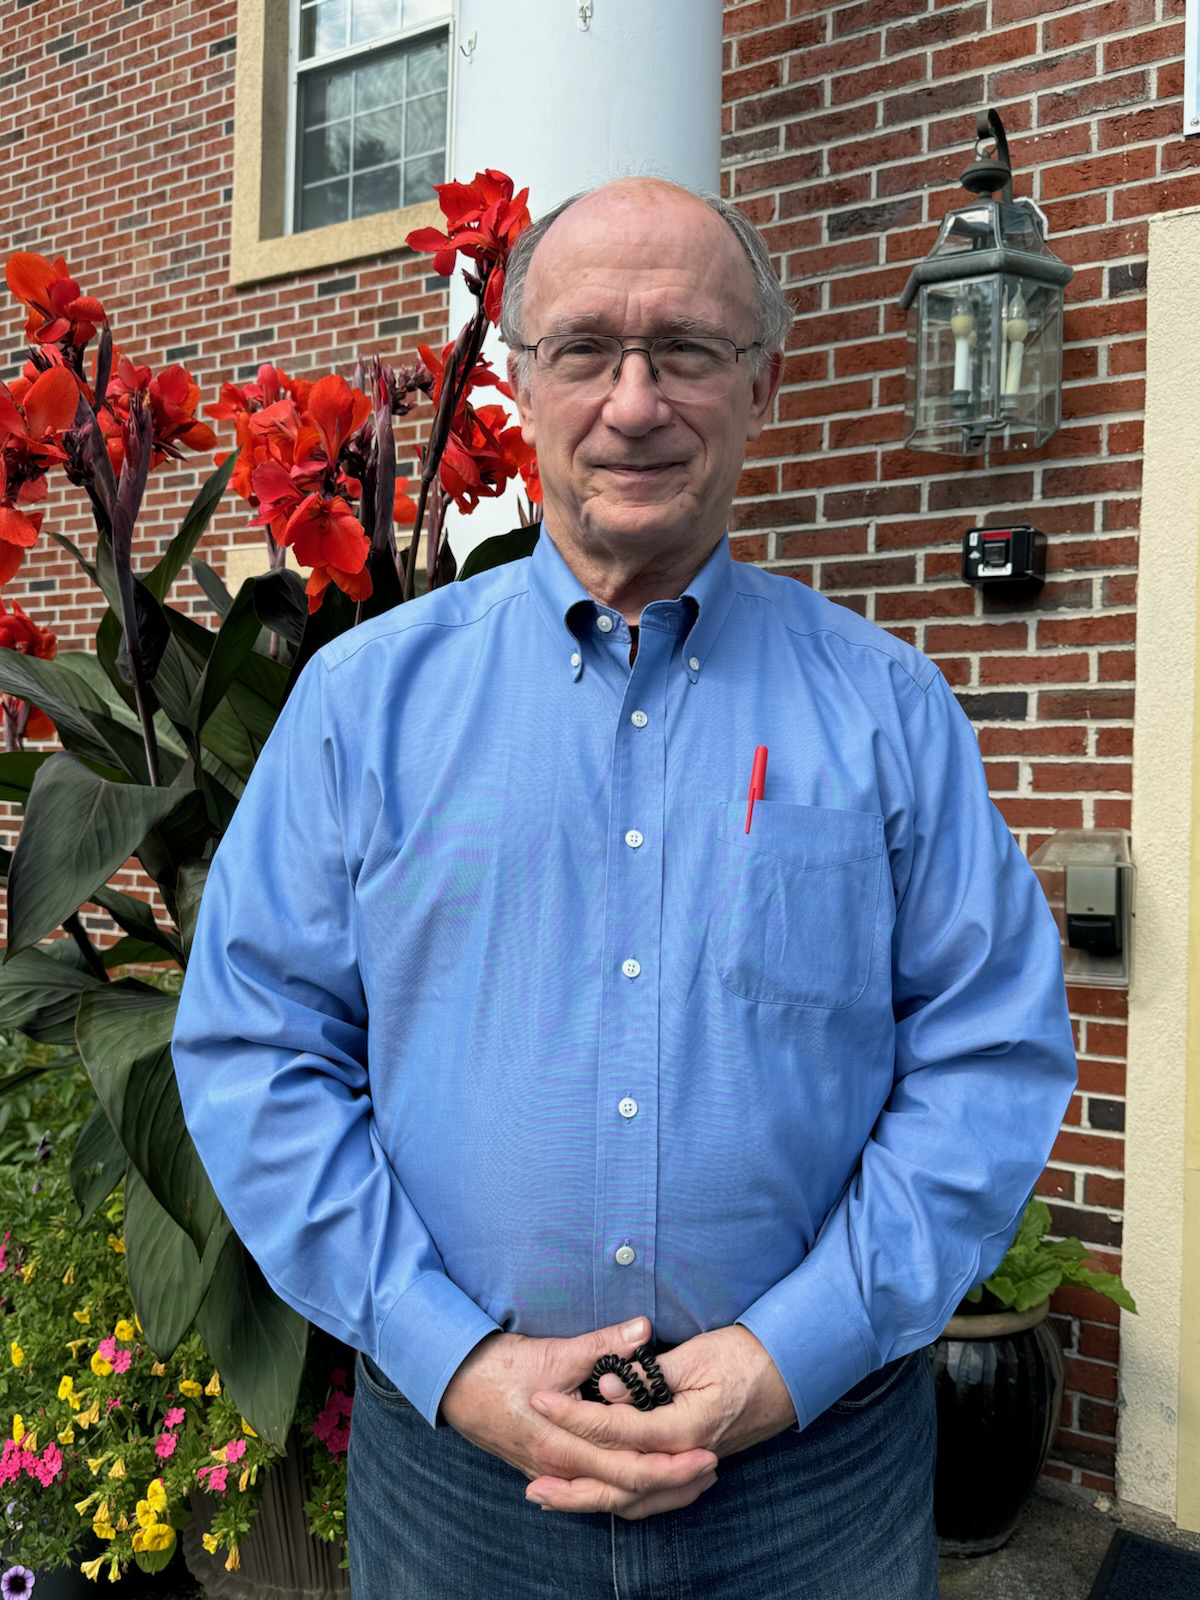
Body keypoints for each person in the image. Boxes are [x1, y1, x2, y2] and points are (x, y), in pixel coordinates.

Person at [172, 178, 1077, 1599]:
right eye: (587, 349)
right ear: (524, 380)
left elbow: (989, 1052)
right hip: (461, 1488)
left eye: (689, 351)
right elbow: (252, 1049)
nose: (635, 401)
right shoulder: (362, 708)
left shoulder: (890, 712)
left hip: (811, 1490)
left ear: (761, 382)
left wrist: (791, 1357)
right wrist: (450, 1356)